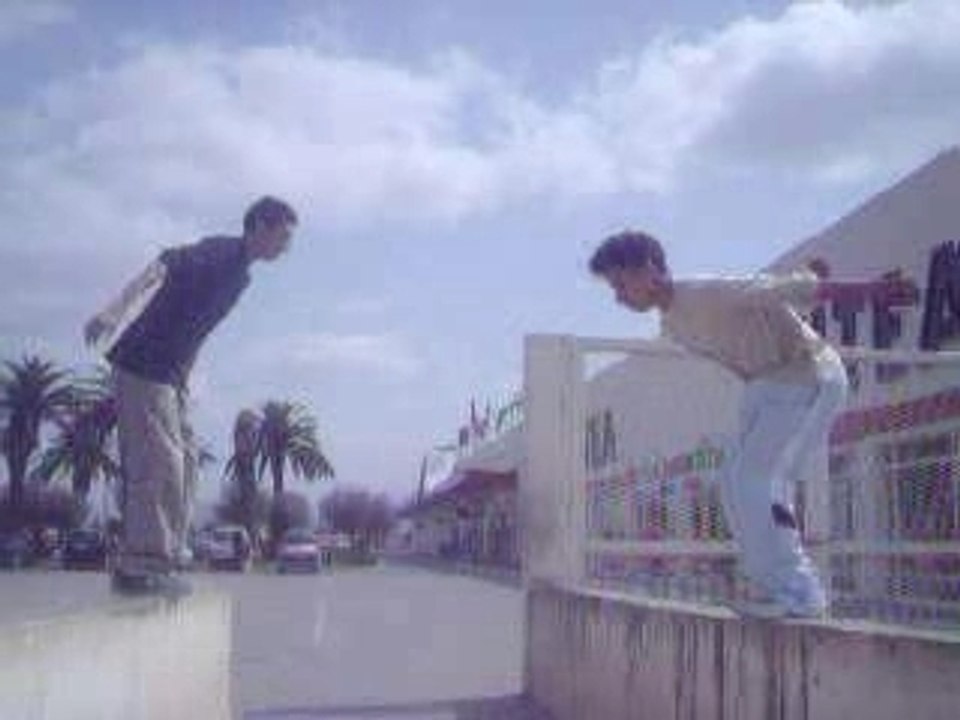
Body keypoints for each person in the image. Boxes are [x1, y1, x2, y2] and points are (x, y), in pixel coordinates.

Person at [588, 229, 915, 618]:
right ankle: (771, 586)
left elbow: (784, 289)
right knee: (732, 480)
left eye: (621, 285)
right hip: (767, 385)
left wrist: (875, 291)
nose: (619, 298)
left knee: (759, 480)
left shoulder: (705, 291)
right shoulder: (673, 326)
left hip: (808, 373)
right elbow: (740, 346)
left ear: (648, 269)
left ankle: (802, 594)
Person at [84, 196, 298, 596]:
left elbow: (198, 328)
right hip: (141, 366)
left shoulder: (240, 277)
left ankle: (167, 555)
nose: (286, 248)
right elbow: (161, 265)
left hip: (170, 377)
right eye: (283, 238)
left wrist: (185, 379)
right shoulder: (220, 252)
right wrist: (113, 312)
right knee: (159, 462)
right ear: (259, 226)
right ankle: (139, 566)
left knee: (187, 463)